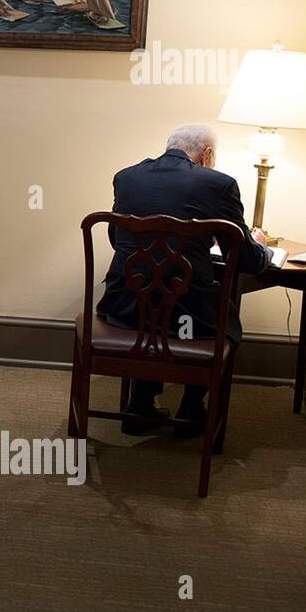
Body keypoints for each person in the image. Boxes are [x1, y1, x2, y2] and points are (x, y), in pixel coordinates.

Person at [97, 124, 273, 437]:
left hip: (123, 306)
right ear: (207, 154)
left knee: (153, 307)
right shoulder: (219, 184)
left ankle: (140, 405)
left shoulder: (126, 177)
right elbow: (244, 257)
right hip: (187, 315)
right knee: (224, 317)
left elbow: (117, 238)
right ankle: (191, 410)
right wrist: (261, 247)